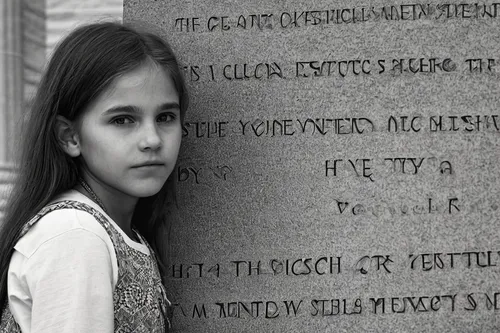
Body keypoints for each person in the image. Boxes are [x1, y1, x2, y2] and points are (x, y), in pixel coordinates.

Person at [0, 20, 188, 333]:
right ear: (70, 136)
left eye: (165, 117)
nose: (152, 139)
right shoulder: (76, 236)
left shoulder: (116, 230)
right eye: (123, 119)